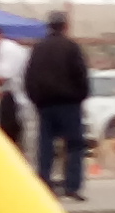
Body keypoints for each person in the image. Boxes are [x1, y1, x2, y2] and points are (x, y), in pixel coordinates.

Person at [23, 10, 94, 200]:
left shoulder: (38, 48)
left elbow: (29, 76)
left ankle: (44, 183)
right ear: (65, 26)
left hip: (45, 104)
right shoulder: (71, 47)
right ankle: (72, 186)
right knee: (74, 145)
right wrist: (81, 96)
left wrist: (36, 99)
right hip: (69, 104)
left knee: (45, 145)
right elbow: (81, 75)